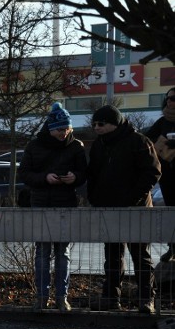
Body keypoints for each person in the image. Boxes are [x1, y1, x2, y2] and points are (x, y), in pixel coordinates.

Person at [87, 105, 160, 313]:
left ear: (115, 123)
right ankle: (111, 297)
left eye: (101, 123)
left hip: (135, 209)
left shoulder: (138, 141)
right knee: (112, 254)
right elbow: (93, 173)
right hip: (109, 208)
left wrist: (133, 198)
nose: (97, 127)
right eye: (94, 124)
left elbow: (152, 172)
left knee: (140, 254)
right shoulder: (100, 145)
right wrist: (94, 197)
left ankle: (146, 298)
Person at [18, 102, 88, 312]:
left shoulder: (76, 146)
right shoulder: (34, 146)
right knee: (43, 252)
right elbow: (24, 174)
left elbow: (84, 173)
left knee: (62, 252)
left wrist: (74, 177)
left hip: (65, 203)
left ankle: (60, 296)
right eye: (60, 129)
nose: (64, 133)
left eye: (67, 129)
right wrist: (45, 178)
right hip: (41, 203)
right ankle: (42, 296)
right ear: (51, 128)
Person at [145, 87, 175, 262]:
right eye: (168, 99)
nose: (170, 102)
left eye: (174, 99)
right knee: (171, 212)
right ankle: (172, 247)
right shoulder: (162, 122)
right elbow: (147, 140)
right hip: (168, 175)